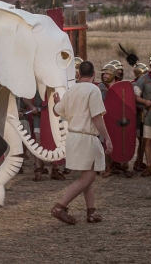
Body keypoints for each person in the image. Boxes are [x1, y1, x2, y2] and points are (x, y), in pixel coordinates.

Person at [50, 61, 112, 225]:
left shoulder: (71, 90)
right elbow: (96, 116)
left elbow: (56, 111)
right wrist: (107, 137)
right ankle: (60, 206)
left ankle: (91, 212)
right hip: (86, 137)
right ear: (94, 73)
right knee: (89, 176)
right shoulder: (93, 89)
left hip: (73, 137)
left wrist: (57, 101)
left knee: (87, 175)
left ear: (79, 74)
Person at [98, 64, 132, 178]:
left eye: (107, 74)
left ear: (113, 75)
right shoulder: (100, 88)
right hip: (105, 118)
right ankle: (108, 167)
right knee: (106, 143)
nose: (105, 76)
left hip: (119, 119)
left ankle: (123, 165)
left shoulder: (121, 87)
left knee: (122, 140)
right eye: (104, 74)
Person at [132, 63, 149, 173]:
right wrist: (141, 107)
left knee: (143, 140)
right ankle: (136, 162)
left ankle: (139, 161)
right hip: (136, 116)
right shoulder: (133, 85)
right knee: (139, 139)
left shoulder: (147, 83)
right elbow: (132, 100)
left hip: (146, 114)